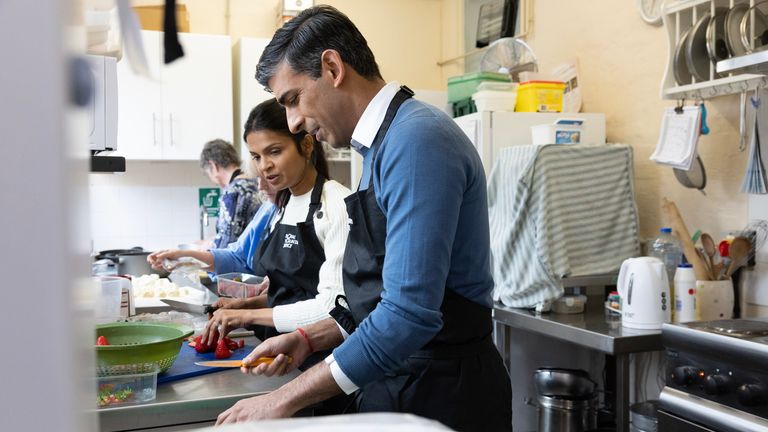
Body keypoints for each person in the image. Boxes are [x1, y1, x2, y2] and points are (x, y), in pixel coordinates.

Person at [215, 5, 512, 431]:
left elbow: (407, 315)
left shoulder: (416, 142)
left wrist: (283, 399)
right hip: (403, 380)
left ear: (332, 67)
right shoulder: (380, 149)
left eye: (293, 100)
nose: (295, 122)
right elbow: (374, 298)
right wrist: (307, 339)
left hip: (444, 392)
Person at [200, 98, 352, 365]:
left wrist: (246, 316)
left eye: (274, 151)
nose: (264, 166)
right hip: (274, 353)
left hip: (318, 360)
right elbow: (289, 292)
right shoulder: (284, 206)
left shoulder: (337, 204)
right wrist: (242, 306)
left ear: (306, 145)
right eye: (257, 156)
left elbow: (331, 308)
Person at [201, 139, 262, 249]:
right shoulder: (256, 183)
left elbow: (226, 246)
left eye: (208, 173)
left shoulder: (232, 192)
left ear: (214, 166)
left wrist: (204, 247)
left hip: (242, 264)